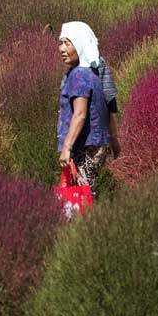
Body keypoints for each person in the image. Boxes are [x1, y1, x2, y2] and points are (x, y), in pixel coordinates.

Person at [57, 21, 112, 197]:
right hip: (95, 144)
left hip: (86, 147)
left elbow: (80, 115)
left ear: (79, 44)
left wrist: (66, 146)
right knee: (84, 195)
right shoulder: (91, 72)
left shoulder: (79, 74)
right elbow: (107, 110)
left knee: (80, 197)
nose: (62, 48)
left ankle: (88, 225)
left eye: (67, 43)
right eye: (60, 43)